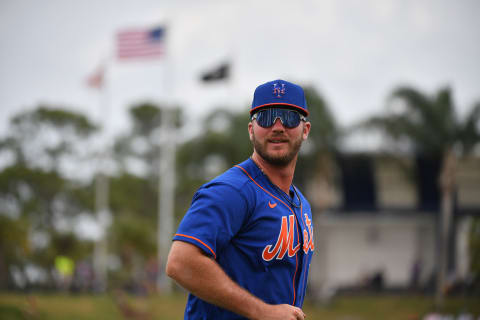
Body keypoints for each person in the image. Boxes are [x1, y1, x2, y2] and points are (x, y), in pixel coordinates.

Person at [166, 79, 314, 320]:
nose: (278, 127)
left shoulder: (301, 203)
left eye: (289, 117)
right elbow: (180, 262)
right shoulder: (232, 190)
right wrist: (263, 312)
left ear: (305, 130)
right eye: (265, 117)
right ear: (251, 130)